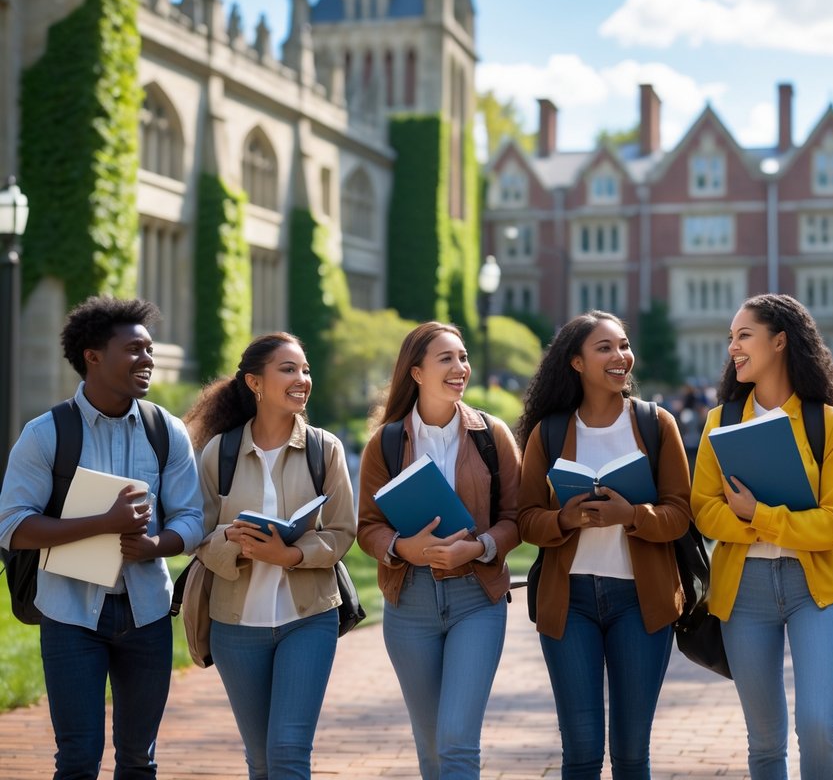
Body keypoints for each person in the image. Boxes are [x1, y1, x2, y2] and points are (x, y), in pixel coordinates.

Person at [0, 296, 204, 778]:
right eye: (134, 349)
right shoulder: (46, 432)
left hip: (147, 614)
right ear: (93, 355)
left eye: (149, 350)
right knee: (78, 756)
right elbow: (12, 526)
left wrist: (157, 545)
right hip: (70, 614)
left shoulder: (166, 431)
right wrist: (104, 523)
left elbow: (193, 519)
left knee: (139, 759)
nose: (147, 359)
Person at [516, 310, 690, 780]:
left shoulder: (657, 424)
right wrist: (565, 518)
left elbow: (680, 514)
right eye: (605, 348)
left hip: (642, 601)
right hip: (568, 602)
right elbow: (526, 519)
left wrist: (632, 515)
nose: (621, 356)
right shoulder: (548, 432)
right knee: (582, 752)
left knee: (632, 753)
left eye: (624, 345)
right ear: (576, 362)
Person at [690, 293, 833, 780]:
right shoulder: (720, 421)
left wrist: (759, 514)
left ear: (779, 341)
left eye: (744, 335)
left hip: (815, 592)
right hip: (744, 593)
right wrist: (750, 518)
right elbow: (703, 510)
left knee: (819, 726)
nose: (733, 347)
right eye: (730, 339)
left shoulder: (829, 424)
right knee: (764, 741)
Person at [184, 332, 355, 780]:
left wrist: (292, 556)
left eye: (305, 370)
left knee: (288, 753)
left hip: (308, 619)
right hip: (235, 627)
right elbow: (196, 534)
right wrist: (234, 541)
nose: (302, 378)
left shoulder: (325, 449)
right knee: (260, 760)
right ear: (255, 382)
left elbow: (342, 531)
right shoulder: (217, 453)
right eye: (289, 369)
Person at [357, 322, 521, 779]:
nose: (460, 368)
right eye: (446, 358)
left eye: (463, 357)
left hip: (477, 601)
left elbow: (517, 518)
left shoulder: (492, 435)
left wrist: (480, 548)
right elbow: (367, 527)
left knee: (456, 742)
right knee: (431, 750)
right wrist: (403, 548)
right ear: (416, 373)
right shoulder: (386, 443)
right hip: (409, 605)